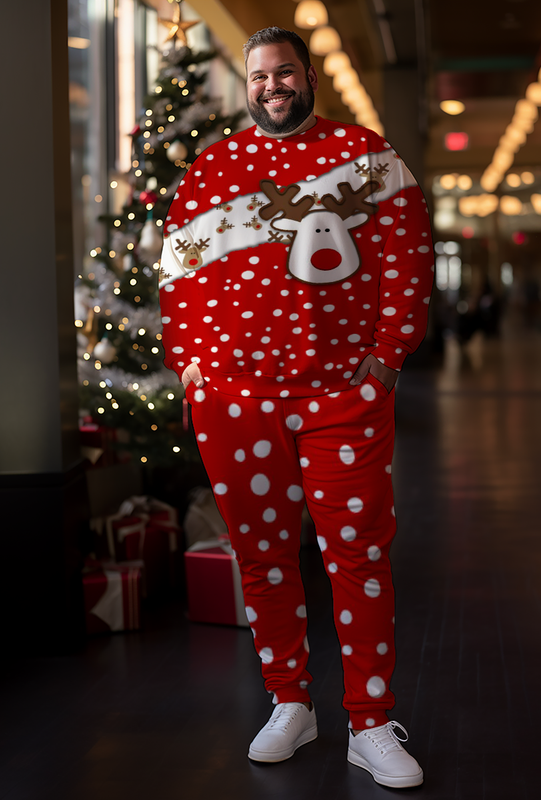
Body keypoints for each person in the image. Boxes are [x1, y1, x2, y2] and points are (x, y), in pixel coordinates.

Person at [159, 27, 434, 789]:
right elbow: (177, 273)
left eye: (284, 72)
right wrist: (193, 370)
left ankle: (369, 722)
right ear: (246, 85)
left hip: (344, 392)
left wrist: (385, 359)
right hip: (237, 401)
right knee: (264, 558)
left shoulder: (370, 158)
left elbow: (409, 254)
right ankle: (291, 704)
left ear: (309, 77)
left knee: (359, 554)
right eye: (259, 76)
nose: (272, 85)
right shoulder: (213, 170)